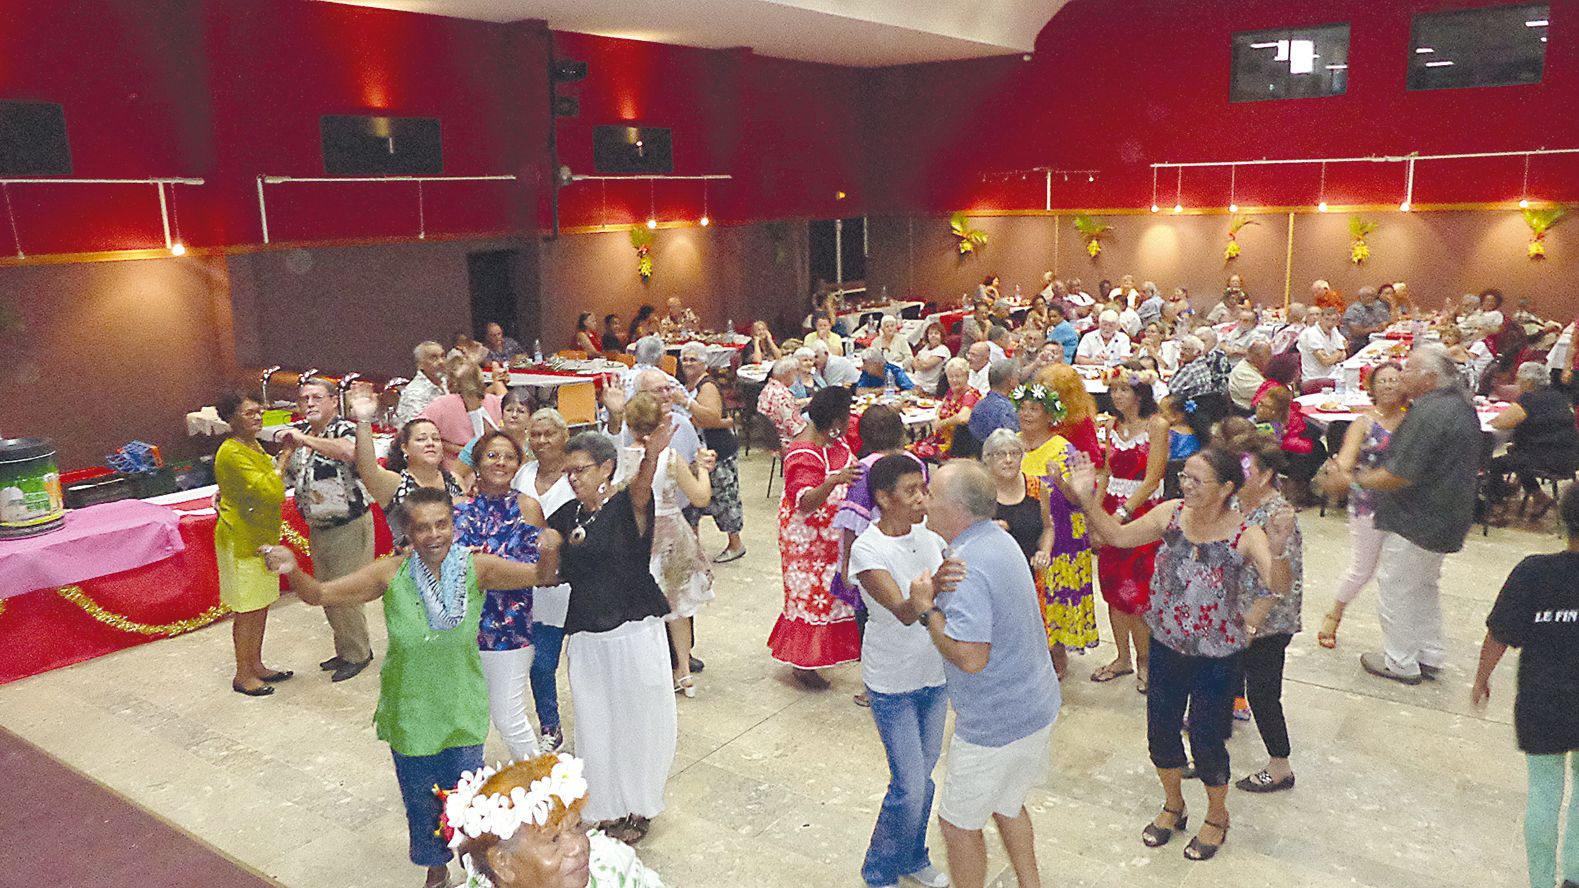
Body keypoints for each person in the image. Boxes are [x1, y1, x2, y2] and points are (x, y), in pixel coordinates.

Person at [260, 486, 558, 888]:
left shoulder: (477, 568)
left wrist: (550, 547)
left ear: (454, 525)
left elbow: (542, 576)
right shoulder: (390, 574)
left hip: (461, 706)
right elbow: (320, 594)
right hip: (410, 710)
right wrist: (292, 568)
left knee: (466, 801)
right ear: (407, 533)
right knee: (421, 802)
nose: (434, 535)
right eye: (422, 528)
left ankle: (477, 870)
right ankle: (436, 870)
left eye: (442, 524)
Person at [1058, 448, 1293, 861]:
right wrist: (1086, 498)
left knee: (1206, 739)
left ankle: (1217, 816)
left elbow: (1278, 587)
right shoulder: (1170, 514)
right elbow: (1116, 536)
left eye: (1197, 480)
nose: (1186, 486)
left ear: (1225, 488)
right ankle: (1174, 804)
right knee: (1161, 733)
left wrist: (1276, 552)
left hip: (1218, 656)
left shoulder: (1246, 533)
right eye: (1184, 476)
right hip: (1166, 644)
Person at [907, 460, 1059, 888]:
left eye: (931, 494)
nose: (924, 501)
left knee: (957, 824)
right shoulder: (998, 538)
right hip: (1036, 705)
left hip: (996, 723)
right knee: (1008, 804)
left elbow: (971, 657)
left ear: (957, 509)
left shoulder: (966, 566)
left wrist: (926, 609)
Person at [541, 428, 678, 845]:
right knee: (595, 722)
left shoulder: (627, 505)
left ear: (606, 468)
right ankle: (604, 805)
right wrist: (546, 549)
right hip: (587, 632)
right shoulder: (565, 515)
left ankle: (639, 805)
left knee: (639, 719)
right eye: (568, 471)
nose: (573, 478)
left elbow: (641, 486)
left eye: (580, 470)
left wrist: (651, 456)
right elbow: (549, 568)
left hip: (632, 629)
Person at [1354, 344, 1480, 684]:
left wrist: (1356, 480)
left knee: (1397, 586)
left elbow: (1400, 474)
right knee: (1423, 586)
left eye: (1409, 369)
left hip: (1418, 516)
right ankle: (1429, 653)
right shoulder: (1459, 406)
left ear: (1429, 377)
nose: (1402, 374)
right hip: (1448, 513)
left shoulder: (1429, 413)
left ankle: (1400, 660)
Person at [1474, 487, 1579, 888]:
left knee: (1544, 790)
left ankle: (1541, 882)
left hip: (1542, 700)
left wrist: (1482, 677)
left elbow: (1498, 634)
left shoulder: (1533, 572)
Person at [454, 431, 547, 762]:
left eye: (509, 457)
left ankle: (545, 784)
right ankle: (466, 782)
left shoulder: (527, 507)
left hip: (510, 629)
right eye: (492, 455)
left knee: (509, 717)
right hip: (461, 629)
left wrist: (485, 569)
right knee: (466, 716)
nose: (501, 463)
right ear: (477, 462)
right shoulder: (457, 509)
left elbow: (540, 571)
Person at [441, 753, 668, 888]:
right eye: (554, 839)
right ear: (502, 863)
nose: (579, 846)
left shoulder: (612, 867)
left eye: (577, 826)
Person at [1221, 431, 1305, 794]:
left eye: (1244, 468)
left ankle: (1280, 765)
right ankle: (1212, 748)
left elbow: (1280, 580)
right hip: (1236, 615)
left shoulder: (1278, 515)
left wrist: (1252, 624)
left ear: (1266, 474)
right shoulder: (1238, 504)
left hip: (1267, 623)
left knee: (1263, 693)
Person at [616, 393, 717, 696]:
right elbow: (700, 497)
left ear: (630, 425)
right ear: (661, 422)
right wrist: (703, 469)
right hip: (672, 530)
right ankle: (684, 671)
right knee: (679, 606)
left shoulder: (623, 457)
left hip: (636, 534)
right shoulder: (671, 457)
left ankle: (646, 670)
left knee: (640, 607)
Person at [279, 377, 375, 682]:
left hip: (347, 524)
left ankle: (358, 654)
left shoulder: (343, 429)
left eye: (317, 397)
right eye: (304, 399)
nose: (309, 404)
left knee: (345, 594)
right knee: (326, 593)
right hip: (318, 527)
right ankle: (345, 649)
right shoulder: (302, 437)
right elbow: (283, 475)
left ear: (334, 401)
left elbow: (348, 452)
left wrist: (304, 440)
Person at [770, 386, 863, 688]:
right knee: (809, 598)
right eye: (846, 416)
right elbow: (805, 501)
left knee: (829, 597)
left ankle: (819, 656)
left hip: (831, 539)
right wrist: (834, 481)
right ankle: (803, 664)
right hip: (806, 542)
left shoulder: (834, 441)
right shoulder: (802, 453)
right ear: (835, 421)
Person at [835, 406, 924, 709]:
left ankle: (874, 686)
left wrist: (846, 565)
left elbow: (852, 522)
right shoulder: (914, 463)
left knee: (873, 621)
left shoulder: (864, 470)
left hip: (875, 558)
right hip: (910, 547)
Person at [1014, 379, 1101, 679]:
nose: (1026, 414)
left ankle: (1057, 650)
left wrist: (1059, 481)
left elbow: (1080, 497)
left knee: (1054, 591)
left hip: (1061, 533)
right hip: (1022, 530)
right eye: (1023, 408)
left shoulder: (1063, 449)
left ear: (1049, 415)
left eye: (1034, 409)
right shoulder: (1010, 445)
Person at [1317, 362, 1406, 648]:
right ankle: (1334, 614)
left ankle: (1401, 637)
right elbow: (1346, 460)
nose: (1389, 385)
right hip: (1369, 503)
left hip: (1405, 504)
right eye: (1383, 381)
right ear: (1373, 389)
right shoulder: (1363, 423)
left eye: (1395, 380)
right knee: (1363, 568)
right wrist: (1340, 473)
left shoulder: (1412, 421)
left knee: (1401, 572)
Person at [1093, 369, 1168, 690]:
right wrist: (1095, 514)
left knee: (1137, 591)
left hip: (1143, 513)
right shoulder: (1111, 426)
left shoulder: (1157, 426)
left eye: (1123, 389)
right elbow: (1106, 473)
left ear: (1140, 394)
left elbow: (1153, 478)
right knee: (1112, 586)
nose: (1116, 396)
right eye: (1113, 390)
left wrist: (1122, 515)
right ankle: (1122, 657)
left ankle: (1145, 661)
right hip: (1113, 508)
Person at [213, 391, 291, 697]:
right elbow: (271, 491)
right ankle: (242, 674)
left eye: (260, 412)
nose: (258, 418)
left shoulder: (252, 445)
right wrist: (284, 458)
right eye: (249, 413)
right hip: (241, 538)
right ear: (231, 418)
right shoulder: (231, 452)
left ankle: (256, 664)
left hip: (261, 535)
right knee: (247, 609)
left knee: (261, 604)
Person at [512, 408, 575, 753]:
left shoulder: (577, 474)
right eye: (535, 435)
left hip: (573, 583)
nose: (541, 441)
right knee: (541, 664)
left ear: (565, 435)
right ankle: (550, 726)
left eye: (549, 433)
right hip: (534, 585)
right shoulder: (522, 474)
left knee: (584, 663)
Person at [350, 393, 462, 544]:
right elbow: (366, 468)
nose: (430, 443)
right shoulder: (394, 483)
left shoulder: (456, 480)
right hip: (406, 557)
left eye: (436, 439)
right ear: (405, 448)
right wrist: (364, 420)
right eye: (421, 439)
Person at [678, 342, 746, 562]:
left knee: (725, 500)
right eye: (684, 359)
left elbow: (710, 418)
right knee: (692, 504)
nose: (687, 363)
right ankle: (694, 549)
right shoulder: (685, 385)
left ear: (704, 364)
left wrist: (687, 405)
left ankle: (736, 544)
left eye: (693, 359)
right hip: (696, 453)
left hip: (718, 452)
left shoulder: (707, 386)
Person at [1487, 362, 1579, 524]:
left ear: (1529, 382)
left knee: (1494, 464)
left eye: (1519, 379)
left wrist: (1490, 418)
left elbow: (1501, 423)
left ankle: (1497, 507)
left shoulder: (1529, 399)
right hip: (1571, 457)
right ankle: (1539, 497)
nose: (1517, 382)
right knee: (1517, 453)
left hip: (1545, 459)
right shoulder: (1557, 396)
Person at [419, 358, 505, 470]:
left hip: (453, 469)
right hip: (496, 467)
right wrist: (497, 382)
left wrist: (449, 446)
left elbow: (415, 431)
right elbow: (507, 399)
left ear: (451, 382)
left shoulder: (442, 404)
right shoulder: (496, 402)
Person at [914, 357, 980, 461]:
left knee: (915, 452)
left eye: (958, 376)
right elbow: (941, 408)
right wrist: (937, 417)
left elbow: (963, 418)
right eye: (950, 376)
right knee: (911, 450)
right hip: (938, 439)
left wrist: (941, 423)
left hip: (954, 444)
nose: (954, 380)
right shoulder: (951, 392)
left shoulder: (970, 395)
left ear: (967, 376)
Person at [1039, 364, 1103, 463]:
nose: (1044, 395)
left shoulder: (1080, 422)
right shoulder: (1038, 416)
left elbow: (1094, 461)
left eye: (1050, 390)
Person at [396, 340, 450, 428]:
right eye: (433, 358)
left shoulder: (448, 382)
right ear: (420, 365)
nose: (441, 362)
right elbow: (416, 429)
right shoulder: (414, 393)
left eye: (443, 356)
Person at [758, 357, 810, 444]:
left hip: (773, 437)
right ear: (787, 373)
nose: (797, 376)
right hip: (787, 441)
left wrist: (807, 401)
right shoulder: (784, 397)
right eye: (795, 372)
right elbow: (795, 429)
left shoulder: (768, 389)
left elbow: (790, 406)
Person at [966, 359, 1019, 444]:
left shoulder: (979, 405)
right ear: (1011, 381)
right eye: (1017, 376)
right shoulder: (1008, 410)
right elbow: (1012, 441)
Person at [1297, 307, 1347, 387]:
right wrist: (1338, 353)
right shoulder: (1311, 333)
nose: (1330, 323)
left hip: (1332, 375)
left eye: (1333, 320)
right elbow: (1325, 361)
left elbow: (1344, 350)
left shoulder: (1334, 330)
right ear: (1320, 319)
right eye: (1327, 319)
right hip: (1314, 379)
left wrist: (1335, 356)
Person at [1167, 335, 1216, 402]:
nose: (1181, 352)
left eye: (1186, 349)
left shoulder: (1189, 370)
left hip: (1183, 406)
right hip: (1201, 405)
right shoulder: (1204, 365)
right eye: (1181, 348)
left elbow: (1170, 393)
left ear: (1197, 352)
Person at [1343, 287, 1391, 354]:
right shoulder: (1354, 310)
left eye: (1373, 296)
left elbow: (1386, 321)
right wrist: (1375, 329)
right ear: (1360, 297)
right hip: (1357, 345)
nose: (1371, 298)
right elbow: (1356, 332)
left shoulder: (1374, 307)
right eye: (1368, 295)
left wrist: (1383, 325)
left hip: (1372, 340)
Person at [908, 322, 951, 395]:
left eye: (936, 333)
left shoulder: (942, 349)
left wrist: (920, 363)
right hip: (916, 380)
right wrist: (920, 364)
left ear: (941, 336)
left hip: (928, 386)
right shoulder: (926, 347)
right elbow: (913, 362)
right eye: (930, 334)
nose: (933, 335)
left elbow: (925, 365)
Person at [1229, 341, 1271, 412]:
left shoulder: (1257, 368)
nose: (1270, 360)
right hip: (1248, 412)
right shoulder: (1241, 372)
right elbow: (1266, 394)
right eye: (1267, 357)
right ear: (1256, 357)